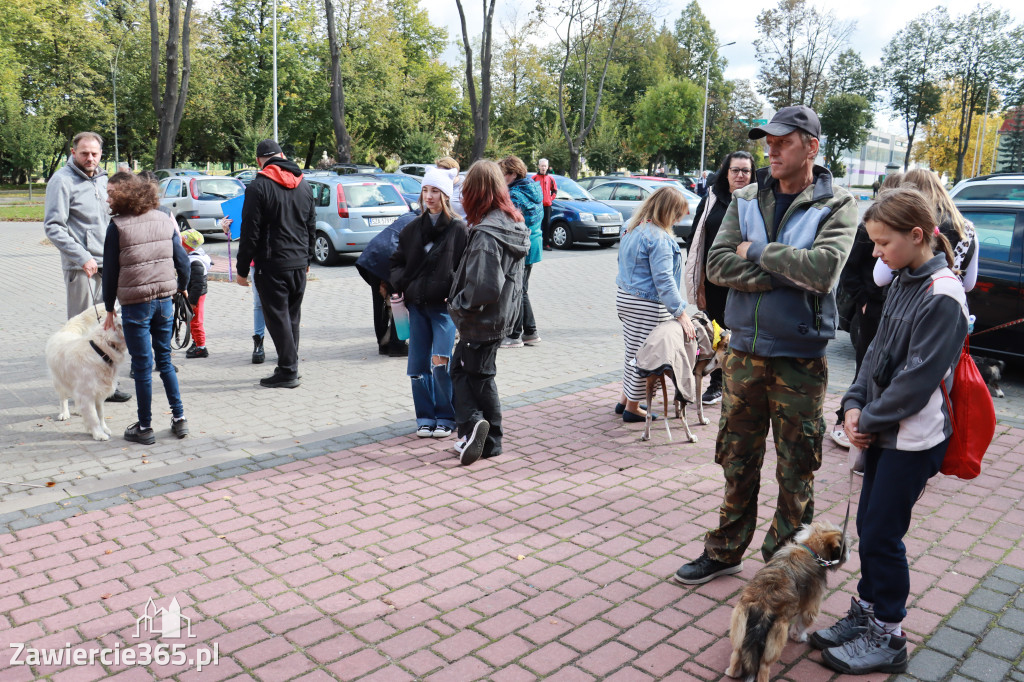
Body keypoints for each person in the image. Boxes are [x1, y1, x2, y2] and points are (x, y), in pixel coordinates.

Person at [674, 105, 858, 585]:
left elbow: (822, 271)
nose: (770, 150)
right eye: (767, 141)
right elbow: (716, 266)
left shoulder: (837, 203)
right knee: (737, 459)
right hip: (743, 353)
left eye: (782, 141)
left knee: (797, 468)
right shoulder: (747, 197)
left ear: (811, 147)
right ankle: (726, 549)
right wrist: (785, 272)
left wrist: (754, 252)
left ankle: (786, 568)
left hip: (799, 358)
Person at [812, 187, 969, 675]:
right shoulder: (902, 278)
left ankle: (890, 636)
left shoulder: (943, 294)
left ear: (917, 235)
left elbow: (916, 383)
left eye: (883, 243)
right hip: (882, 429)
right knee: (869, 528)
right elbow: (875, 352)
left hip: (913, 438)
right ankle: (867, 615)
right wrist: (853, 404)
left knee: (882, 534)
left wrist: (866, 419)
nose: (876, 254)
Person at [448, 161, 530, 465]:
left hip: (482, 319)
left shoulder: (487, 234)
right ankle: (481, 434)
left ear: (477, 193)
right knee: (476, 373)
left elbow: (483, 287)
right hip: (499, 318)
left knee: (468, 373)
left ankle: (479, 430)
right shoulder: (511, 222)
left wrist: (460, 305)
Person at [100, 172, 191, 444]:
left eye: (111, 193)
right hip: (164, 301)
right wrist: (182, 287)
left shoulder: (117, 226)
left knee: (142, 365)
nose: (108, 198)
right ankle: (179, 418)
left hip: (135, 305)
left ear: (124, 195)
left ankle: (145, 426)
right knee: (165, 361)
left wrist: (108, 308)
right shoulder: (164, 219)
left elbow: (110, 273)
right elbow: (183, 261)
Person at [44, 131, 131, 402]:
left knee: (109, 329)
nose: (90, 158)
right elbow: (54, 226)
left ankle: (108, 386)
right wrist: (82, 256)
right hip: (83, 268)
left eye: (94, 153)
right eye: (84, 153)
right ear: (73, 152)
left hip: (110, 264)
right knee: (82, 332)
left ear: (101, 154)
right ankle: (83, 389)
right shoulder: (61, 181)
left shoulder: (105, 180)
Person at [390, 167, 468, 439]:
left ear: (446, 195)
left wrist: (454, 293)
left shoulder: (459, 229)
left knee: (441, 362)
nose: (429, 196)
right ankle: (425, 416)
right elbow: (396, 263)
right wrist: (404, 284)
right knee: (417, 366)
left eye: (435, 191)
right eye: (426, 190)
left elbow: (464, 268)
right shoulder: (412, 228)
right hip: (416, 306)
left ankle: (447, 417)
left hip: (443, 308)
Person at [829, 172, 904, 449]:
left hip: (889, 306)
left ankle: (868, 424)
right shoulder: (867, 231)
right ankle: (843, 418)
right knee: (865, 367)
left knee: (884, 369)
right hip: (872, 309)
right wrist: (862, 299)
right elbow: (850, 271)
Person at [235, 140, 316, 388]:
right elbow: (311, 224)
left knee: (277, 318)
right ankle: (289, 366)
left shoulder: (257, 187)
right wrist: (308, 258)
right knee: (291, 316)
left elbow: (250, 232)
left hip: (271, 264)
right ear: (281, 155)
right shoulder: (304, 184)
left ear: (260, 160)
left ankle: (288, 370)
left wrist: (241, 270)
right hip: (298, 262)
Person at [615, 187, 696, 422]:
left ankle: (625, 400)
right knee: (648, 356)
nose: (678, 220)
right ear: (668, 211)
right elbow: (664, 280)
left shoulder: (631, 225)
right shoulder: (659, 237)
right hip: (647, 303)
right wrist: (681, 313)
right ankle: (633, 407)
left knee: (633, 350)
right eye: (677, 214)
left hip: (626, 297)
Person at [684, 151, 754, 406]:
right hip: (714, 278)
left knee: (742, 329)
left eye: (745, 170)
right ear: (726, 172)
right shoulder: (713, 198)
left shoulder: (759, 200)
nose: (740, 175)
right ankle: (717, 382)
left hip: (746, 278)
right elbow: (696, 234)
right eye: (735, 170)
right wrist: (695, 270)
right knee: (716, 330)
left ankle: (741, 381)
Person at [873, 168, 979, 294]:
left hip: (911, 301)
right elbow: (969, 284)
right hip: (949, 301)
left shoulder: (908, 222)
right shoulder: (967, 229)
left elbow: (880, 278)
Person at [355, 211, 416, 356]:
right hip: (391, 259)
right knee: (399, 301)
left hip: (372, 256)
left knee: (380, 303)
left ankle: (383, 344)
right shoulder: (424, 222)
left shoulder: (407, 216)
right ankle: (396, 345)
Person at [499, 155, 544, 348]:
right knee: (522, 289)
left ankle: (515, 335)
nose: (501, 179)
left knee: (517, 290)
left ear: (513, 174)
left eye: (503, 175)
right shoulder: (532, 188)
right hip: (534, 243)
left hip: (522, 245)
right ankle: (530, 333)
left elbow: (512, 223)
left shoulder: (515, 194)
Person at [221, 217, 266, 364]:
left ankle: (286, 347)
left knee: (280, 305)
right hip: (256, 261)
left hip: (278, 258)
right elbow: (247, 234)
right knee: (259, 303)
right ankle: (259, 343)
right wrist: (229, 230)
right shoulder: (247, 199)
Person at [180, 229, 212, 358]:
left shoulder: (196, 262)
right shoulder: (192, 258)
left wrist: (192, 302)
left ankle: (201, 347)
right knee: (190, 319)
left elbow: (197, 285)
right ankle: (196, 342)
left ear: (187, 247)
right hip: (193, 295)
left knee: (195, 321)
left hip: (195, 297)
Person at [533, 158, 557, 251]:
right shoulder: (534, 178)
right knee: (536, 225)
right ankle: (536, 244)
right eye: (542, 166)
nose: (543, 167)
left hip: (547, 205)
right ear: (539, 166)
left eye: (545, 166)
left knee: (546, 225)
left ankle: (546, 244)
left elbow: (554, 190)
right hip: (537, 205)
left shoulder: (551, 178)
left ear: (547, 167)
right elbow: (530, 191)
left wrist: (550, 199)